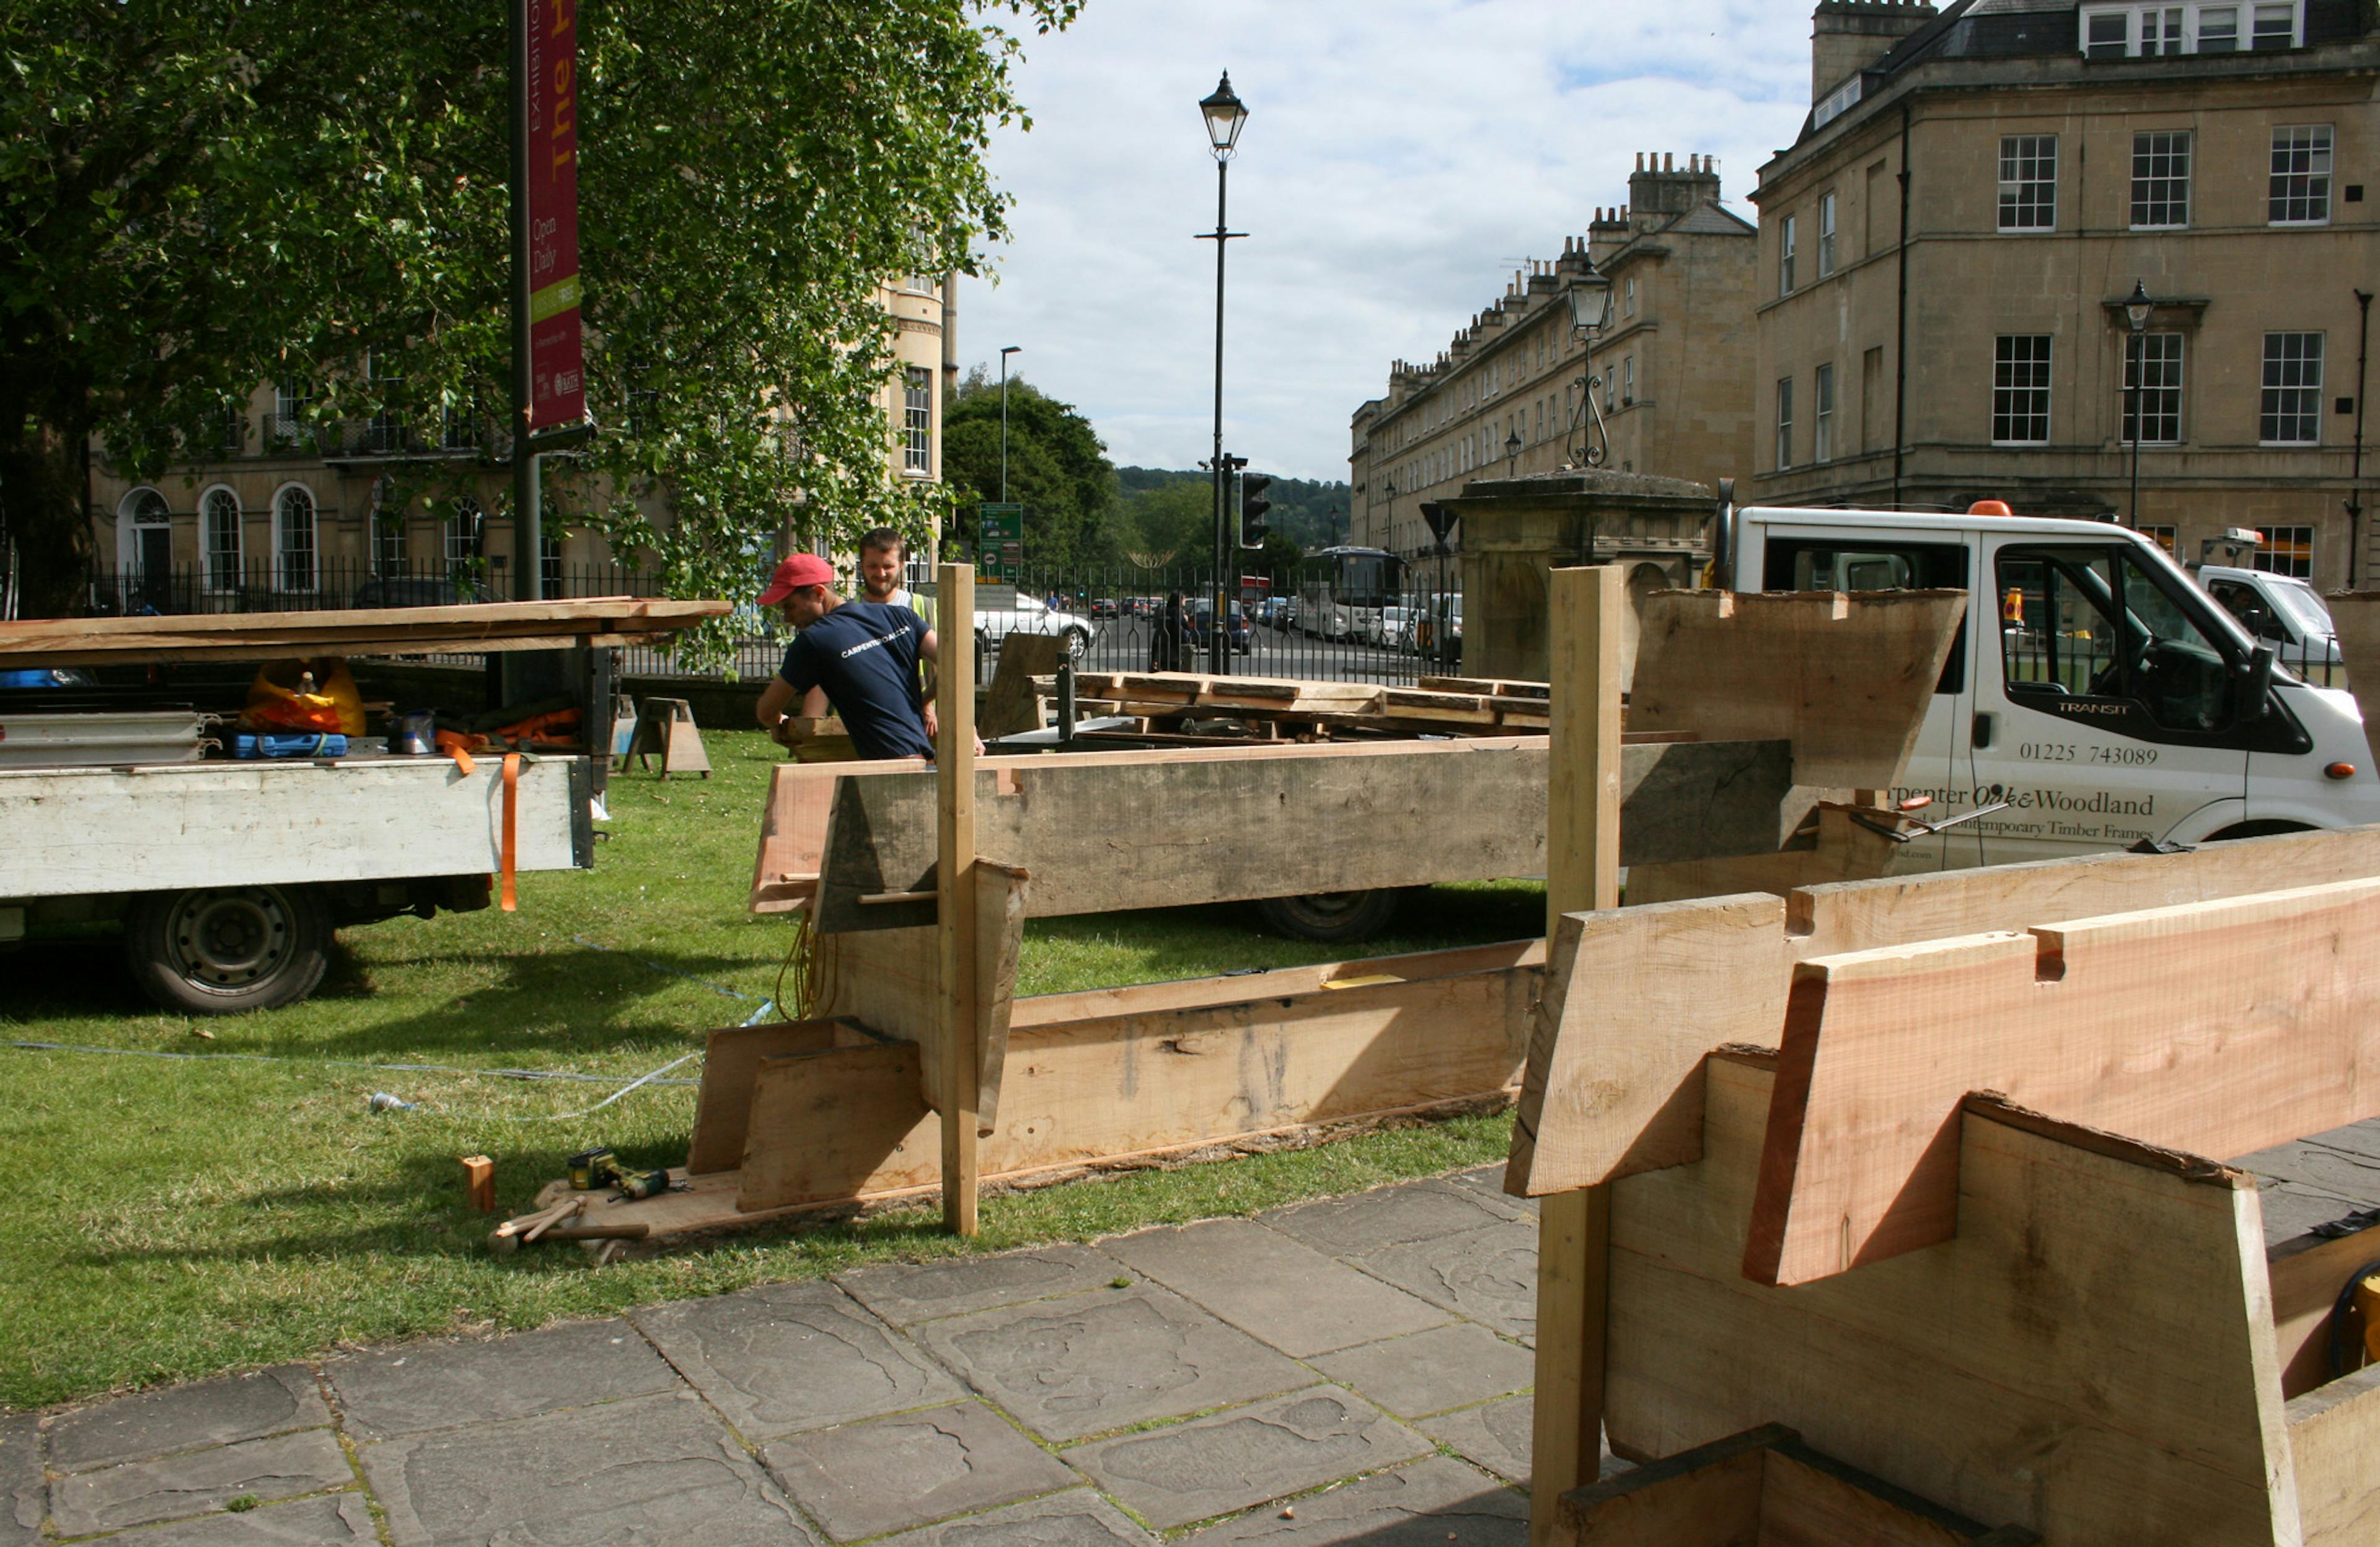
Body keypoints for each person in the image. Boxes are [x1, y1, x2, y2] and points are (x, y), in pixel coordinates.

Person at [752, 553, 950, 760]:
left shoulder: (812, 641)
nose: (786, 618)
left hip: (886, 773)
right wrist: (922, 701)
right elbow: (954, 664)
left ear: (819, 593)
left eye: (790, 606)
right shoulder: (900, 616)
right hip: (926, 762)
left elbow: (766, 711)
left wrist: (776, 723)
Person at [854, 526, 940, 740]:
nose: (880, 574)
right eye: (872, 566)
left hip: (920, 722)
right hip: (862, 722)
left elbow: (950, 664)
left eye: (888, 566)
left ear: (902, 565)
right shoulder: (849, 611)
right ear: (862, 566)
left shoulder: (922, 606)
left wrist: (927, 703)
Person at [1150, 590, 1187, 671]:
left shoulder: (1165, 612)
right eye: (1184, 599)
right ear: (1179, 600)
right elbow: (1180, 630)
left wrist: (1154, 657)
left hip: (1163, 650)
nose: (1186, 601)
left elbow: (1157, 635)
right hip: (1175, 651)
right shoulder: (1177, 613)